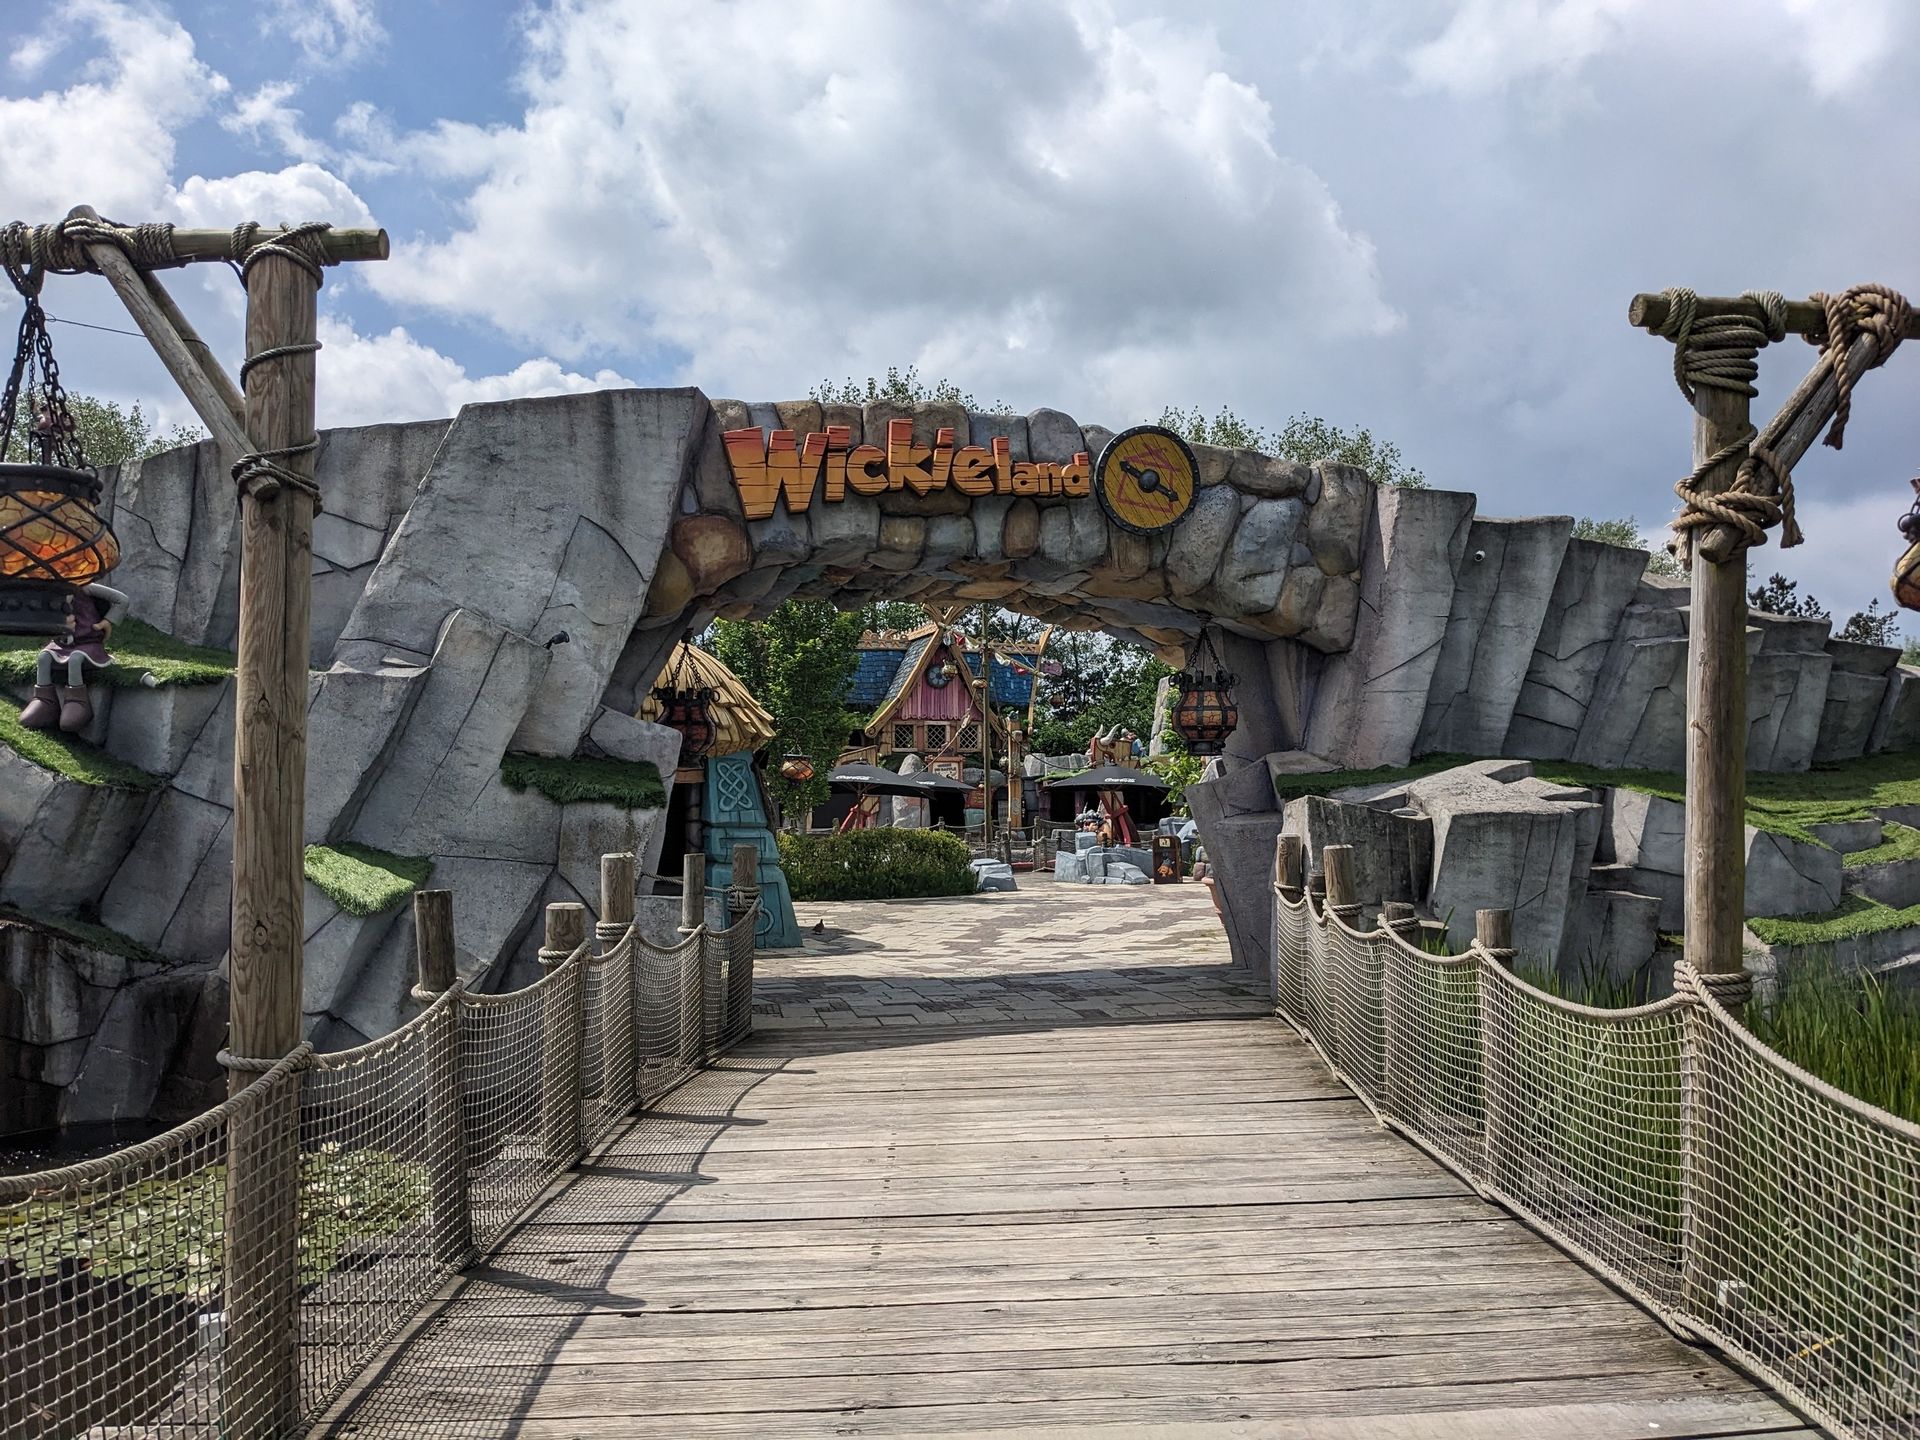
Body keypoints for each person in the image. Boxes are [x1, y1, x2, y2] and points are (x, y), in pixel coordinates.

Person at [19, 582, 129, 734]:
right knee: (44, 657)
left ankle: (78, 701)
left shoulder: (86, 587)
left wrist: (106, 621)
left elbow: (122, 600)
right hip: (62, 644)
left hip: (88, 642)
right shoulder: (52, 593)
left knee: (75, 659)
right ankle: (45, 701)